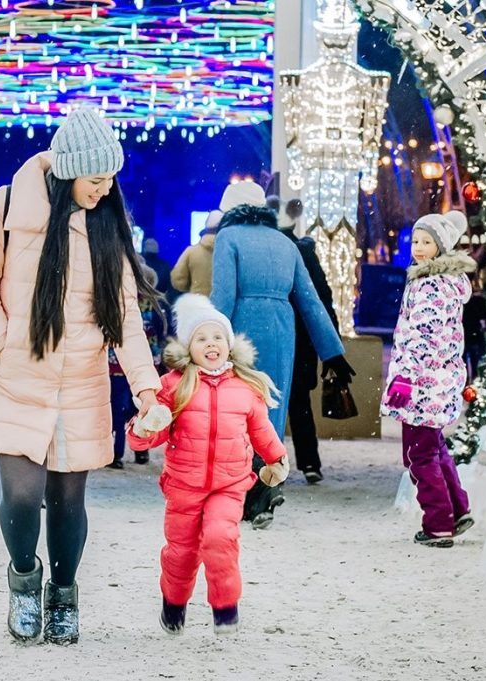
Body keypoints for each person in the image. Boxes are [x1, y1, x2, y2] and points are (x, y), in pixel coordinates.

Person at [0, 108, 161, 645]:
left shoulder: (105, 225)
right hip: (17, 377)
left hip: (80, 383)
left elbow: (123, 320)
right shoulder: (4, 207)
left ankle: (64, 595)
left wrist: (147, 388)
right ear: (68, 170)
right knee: (24, 497)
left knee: (70, 500)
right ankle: (25, 581)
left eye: (110, 180)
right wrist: (2, 338)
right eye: (96, 180)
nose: (105, 190)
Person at [126, 294, 288, 635]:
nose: (210, 344)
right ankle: (173, 605)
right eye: (201, 338)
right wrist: (142, 428)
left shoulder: (245, 388)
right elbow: (151, 433)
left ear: (229, 345)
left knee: (221, 538)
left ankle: (226, 607)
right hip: (184, 486)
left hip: (229, 484)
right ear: (189, 347)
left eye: (217, 337)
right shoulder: (174, 386)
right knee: (181, 552)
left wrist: (276, 458)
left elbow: (261, 429)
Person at [211, 181, 353, 529]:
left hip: (242, 330)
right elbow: (309, 300)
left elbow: (223, 295)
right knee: (271, 411)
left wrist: (209, 340)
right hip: (282, 330)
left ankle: (250, 492)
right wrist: (332, 352)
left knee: (238, 413)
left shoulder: (228, 239)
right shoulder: (285, 243)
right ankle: (269, 485)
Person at [383, 211, 475, 548]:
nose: (419, 249)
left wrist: (406, 379)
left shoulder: (429, 284)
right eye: (417, 241)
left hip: (422, 384)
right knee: (434, 448)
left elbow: (423, 337)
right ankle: (458, 509)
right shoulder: (447, 283)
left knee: (419, 455)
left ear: (441, 247)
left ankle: (438, 524)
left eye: (427, 243)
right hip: (438, 381)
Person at [278, 209, 341, 484]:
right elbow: (323, 301)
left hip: (280, 336)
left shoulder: (275, 252)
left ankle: (270, 464)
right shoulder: (306, 254)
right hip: (303, 339)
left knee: (269, 406)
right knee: (300, 404)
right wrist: (332, 345)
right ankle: (309, 463)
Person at [108, 265, 170, 469]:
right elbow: (164, 331)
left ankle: (116, 454)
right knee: (140, 407)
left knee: (117, 409)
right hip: (147, 365)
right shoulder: (157, 304)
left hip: (117, 365)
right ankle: (141, 452)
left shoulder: (120, 301)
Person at [171, 210, 222, 296]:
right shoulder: (232, 252)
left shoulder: (191, 252)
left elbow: (178, 280)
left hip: (198, 302)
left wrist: (194, 287)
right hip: (224, 305)